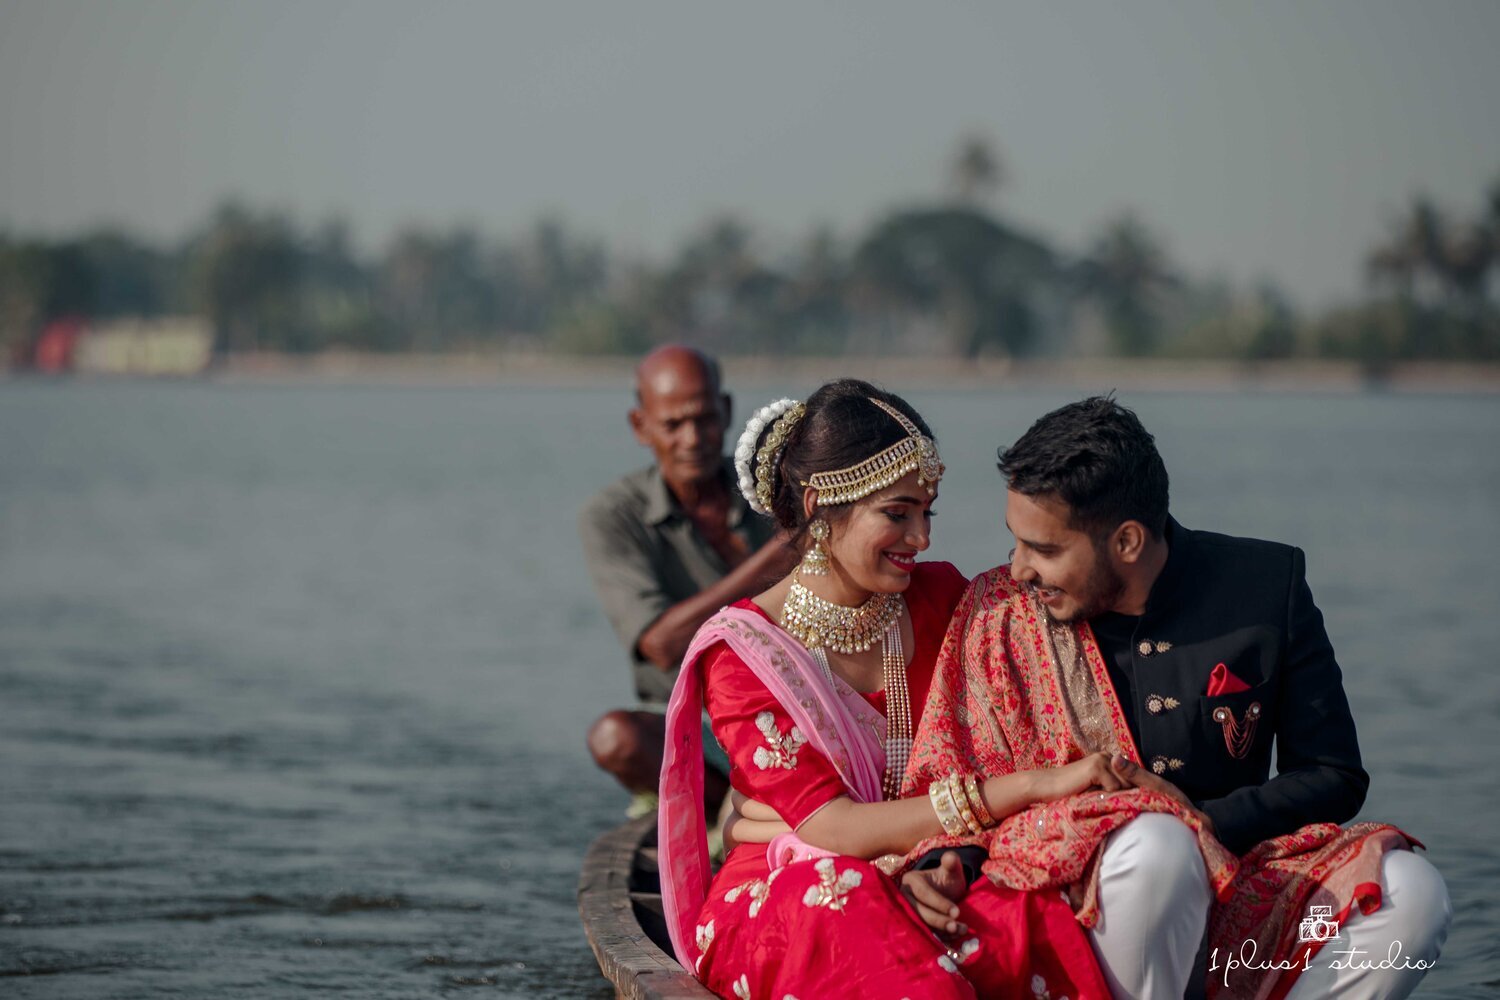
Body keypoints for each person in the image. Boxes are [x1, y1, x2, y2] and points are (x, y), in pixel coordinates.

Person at [658, 381, 1214, 1000]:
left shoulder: (946, 600)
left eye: (929, 512)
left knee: (1031, 921)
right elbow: (832, 831)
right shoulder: (745, 654)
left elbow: (1028, 708)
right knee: (856, 915)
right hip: (792, 893)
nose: (921, 539)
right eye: (897, 514)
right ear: (819, 505)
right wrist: (1027, 787)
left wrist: (926, 859)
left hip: (942, 865)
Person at [904, 396, 1452, 1000]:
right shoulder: (998, 613)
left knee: (1412, 895)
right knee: (1156, 849)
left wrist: (1199, 823)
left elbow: (1334, 775)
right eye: (1017, 541)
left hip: (1238, 906)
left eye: (1046, 549)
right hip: (1071, 906)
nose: (1020, 568)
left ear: (1129, 542)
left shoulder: (1267, 586)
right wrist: (946, 864)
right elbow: (950, 770)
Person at [579, 345, 794, 815]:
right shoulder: (614, 515)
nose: (692, 438)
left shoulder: (776, 491)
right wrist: (778, 558)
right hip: (692, 722)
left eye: (704, 419)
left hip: (795, 702)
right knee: (616, 739)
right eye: (673, 425)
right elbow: (659, 644)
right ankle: (729, 809)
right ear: (641, 426)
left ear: (728, 412)